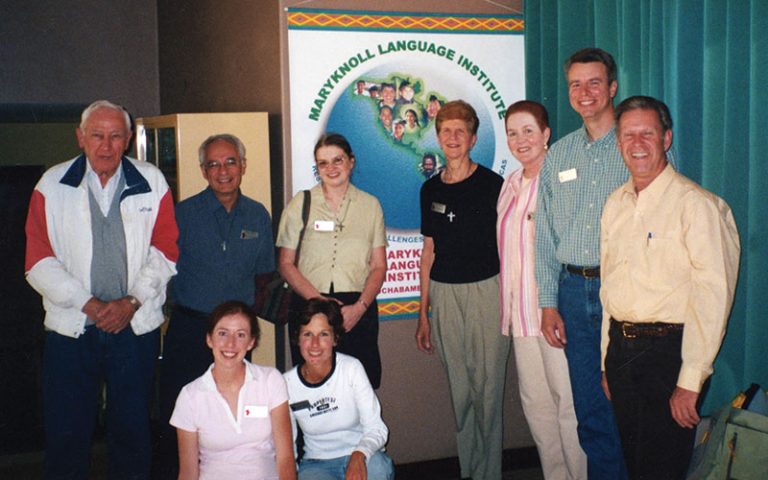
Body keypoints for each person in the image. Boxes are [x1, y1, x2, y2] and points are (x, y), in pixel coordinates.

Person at [535, 47, 678, 479]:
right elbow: (544, 234)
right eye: (576, 84)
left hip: (629, 293)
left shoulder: (638, 143)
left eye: (595, 82)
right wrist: (547, 301)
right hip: (574, 295)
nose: (585, 92)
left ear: (612, 87)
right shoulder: (558, 156)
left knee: (636, 409)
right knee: (591, 411)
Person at [24, 99, 179, 479]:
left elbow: (166, 250)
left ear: (127, 139)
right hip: (71, 330)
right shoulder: (51, 185)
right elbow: (37, 261)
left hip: (134, 328)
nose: (106, 146)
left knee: (132, 432)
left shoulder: (152, 181)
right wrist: (89, 304)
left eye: (114, 136)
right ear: (80, 138)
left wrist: (131, 301)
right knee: (66, 434)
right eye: (97, 135)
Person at [600, 96, 740, 479]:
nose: (638, 143)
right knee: (636, 462)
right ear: (618, 143)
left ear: (666, 138)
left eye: (648, 133)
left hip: (668, 355)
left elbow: (713, 297)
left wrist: (690, 382)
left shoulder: (698, 206)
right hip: (622, 352)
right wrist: (605, 362)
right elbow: (609, 290)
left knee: (664, 467)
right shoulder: (615, 204)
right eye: (629, 134)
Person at [156, 133, 275, 477]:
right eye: (213, 164)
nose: (223, 171)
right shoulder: (182, 213)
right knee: (179, 417)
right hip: (190, 329)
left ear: (243, 166)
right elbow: (162, 269)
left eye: (230, 162)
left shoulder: (257, 215)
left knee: (232, 414)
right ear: (203, 170)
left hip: (236, 337)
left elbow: (264, 273)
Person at [415, 100, 510, 480]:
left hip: (488, 291)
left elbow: (509, 245)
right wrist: (423, 313)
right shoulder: (430, 190)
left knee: (488, 389)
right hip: (444, 293)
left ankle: (490, 473)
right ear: (437, 138)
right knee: (459, 388)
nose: (452, 138)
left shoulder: (493, 185)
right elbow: (428, 252)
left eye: (460, 131)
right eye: (445, 131)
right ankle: (469, 471)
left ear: (472, 138)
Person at [497, 100, 587, 479]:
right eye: (513, 133)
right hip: (520, 317)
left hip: (554, 315)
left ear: (546, 134)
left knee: (568, 406)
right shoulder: (510, 185)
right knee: (536, 406)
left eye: (528, 130)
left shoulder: (562, 178)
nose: (521, 140)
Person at [276, 133, 387, 389]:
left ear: (351, 162)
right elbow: (286, 263)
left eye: (337, 160)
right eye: (323, 163)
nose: (331, 168)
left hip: (356, 310)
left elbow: (379, 266)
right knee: (312, 385)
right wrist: (320, 303)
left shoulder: (371, 206)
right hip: (309, 304)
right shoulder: (300, 203)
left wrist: (359, 308)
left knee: (359, 387)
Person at [171, 301, 296, 479]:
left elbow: (285, 458)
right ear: (209, 339)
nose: (230, 344)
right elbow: (188, 472)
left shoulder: (270, 380)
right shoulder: (190, 396)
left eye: (240, 335)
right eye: (223, 333)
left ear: (251, 342)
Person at [284, 299, 394, 480]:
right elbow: (287, 444)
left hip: (362, 453)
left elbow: (377, 429)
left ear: (335, 339)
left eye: (324, 334)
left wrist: (359, 454)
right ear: (297, 338)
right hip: (317, 463)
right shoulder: (286, 383)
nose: (315, 344)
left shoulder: (351, 368)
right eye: (307, 334)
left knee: (378, 469)